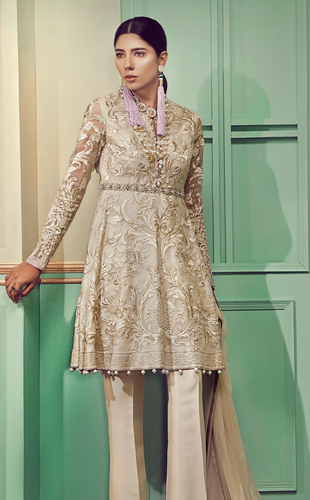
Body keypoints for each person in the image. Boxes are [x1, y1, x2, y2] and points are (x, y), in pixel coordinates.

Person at [5, 16, 262, 500]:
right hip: (120, 266)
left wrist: (205, 285)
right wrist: (37, 259)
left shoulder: (188, 123)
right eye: (120, 54)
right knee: (122, 397)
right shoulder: (101, 112)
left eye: (139, 53)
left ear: (161, 59)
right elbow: (72, 188)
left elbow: (194, 207)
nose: (127, 64)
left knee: (187, 385)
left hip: (179, 268)